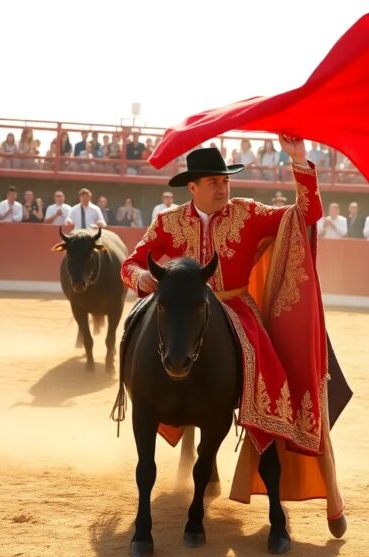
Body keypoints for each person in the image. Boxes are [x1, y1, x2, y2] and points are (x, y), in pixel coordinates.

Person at [120, 136, 347, 535]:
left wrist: (298, 161)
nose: (223, 188)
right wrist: (143, 280)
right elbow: (132, 263)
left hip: (236, 310)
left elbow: (304, 214)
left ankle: (271, 456)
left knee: (274, 384)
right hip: (182, 312)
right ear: (192, 188)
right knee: (139, 337)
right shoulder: (167, 222)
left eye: (225, 181)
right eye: (213, 182)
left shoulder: (249, 213)